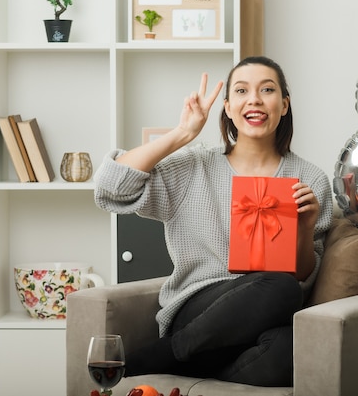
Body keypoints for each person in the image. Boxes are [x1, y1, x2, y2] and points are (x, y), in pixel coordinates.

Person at [93, 56, 334, 387]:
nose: (255, 99)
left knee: (292, 342)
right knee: (278, 285)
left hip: (263, 317)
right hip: (198, 310)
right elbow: (110, 187)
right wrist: (182, 133)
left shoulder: (310, 178)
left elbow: (304, 280)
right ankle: (162, 354)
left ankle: (190, 368)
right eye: (241, 91)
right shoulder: (195, 166)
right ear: (228, 108)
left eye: (267, 90)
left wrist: (305, 228)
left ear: (284, 105)